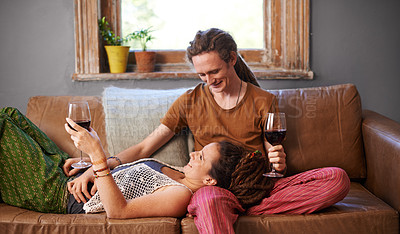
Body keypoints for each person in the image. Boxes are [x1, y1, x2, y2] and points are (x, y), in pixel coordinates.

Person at [63, 28, 350, 233]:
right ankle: (237, 206)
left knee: (337, 178)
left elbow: (271, 158)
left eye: (214, 72)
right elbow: (143, 149)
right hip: (212, 188)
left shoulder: (264, 101)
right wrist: (97, 168)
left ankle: (245, 205)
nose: (209, 80)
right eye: (202, 74)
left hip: (253, 186)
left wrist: (279, 162)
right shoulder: (190, 101)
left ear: (232, 60)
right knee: (211, 202)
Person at [0, 107, 266, 217]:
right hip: (71, 176)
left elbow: (119, 211)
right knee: (10, 114)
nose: (195, 153)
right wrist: (89, 167)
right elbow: (123, 172)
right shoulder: (177, 174)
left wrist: (97, 155)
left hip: (57, 194)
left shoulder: (179, 195)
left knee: (2, 122)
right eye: (200, 150)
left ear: (210, 180)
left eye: (202, 157)